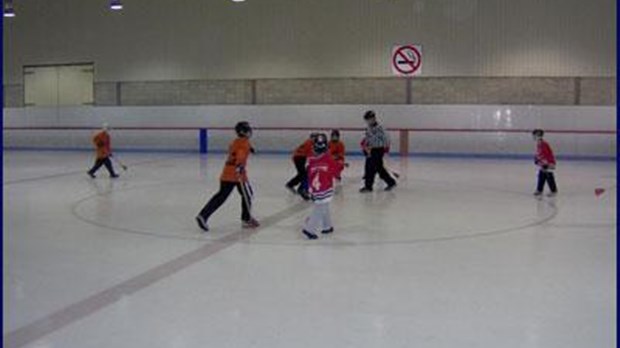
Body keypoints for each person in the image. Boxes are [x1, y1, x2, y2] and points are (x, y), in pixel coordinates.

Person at [196, 121, 260, 232]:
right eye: (248, 130)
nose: (250, 132)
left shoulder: (235, 142)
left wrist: (250, 149)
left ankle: (203, 215)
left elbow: (237, 149)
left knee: (221, 196)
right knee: (248, 195)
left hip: (226, 174)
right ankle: (246, 219)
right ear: (243, 132)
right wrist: (239, 165)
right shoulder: (245, 143)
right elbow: (240, 153)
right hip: (238, 175)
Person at [302, 133, 344, 240]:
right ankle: (309, 229)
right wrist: (341, 164)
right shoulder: (328, 158)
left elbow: (308, 172)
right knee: (320, 208)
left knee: (324, 205)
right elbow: (336, 170)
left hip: (315, 188)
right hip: (324, 187)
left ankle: (327, 226)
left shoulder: (311, 159)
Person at [360, 110, 396, 192]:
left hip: (378, 150)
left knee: (372, 167)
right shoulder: (369, 128)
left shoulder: (380, 128)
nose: (367, 121)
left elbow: (386, 139)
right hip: (371, 150)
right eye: (366, 120)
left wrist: (385, 148)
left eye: (368, 119)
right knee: (375, 168)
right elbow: (367, 138)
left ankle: (369, 187)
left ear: (373, 118)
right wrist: (366, 146)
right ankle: (390, 182)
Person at [285, 133, 316, 200]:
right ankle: (301, 189)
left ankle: (291, 185)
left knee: (302, 173)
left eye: (314, 138)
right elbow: (311, 154)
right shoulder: (309, 143)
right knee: (303, 174)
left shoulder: (308, 142)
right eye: (313, 138)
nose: (313, 139)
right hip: (299, 158)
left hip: (300, 157)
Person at [532, 129, 558, 197]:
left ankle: (553, 191)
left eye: (534, 135)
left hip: (548, 162)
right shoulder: (539, 144)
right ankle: (539, 190)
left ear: (538, 136)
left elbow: (547, 154)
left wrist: (548, 163)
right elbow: (539, 153)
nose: (533, 137)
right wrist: (537, 159)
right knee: (541, 175)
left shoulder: (544, 144)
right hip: (543, 163)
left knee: (549, 176)